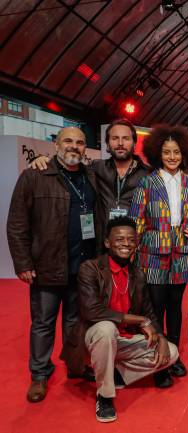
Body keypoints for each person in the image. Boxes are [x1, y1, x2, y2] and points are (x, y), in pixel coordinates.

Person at [7, 126, 97, 403]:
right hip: (47, 264)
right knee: (43, 323)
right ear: (55, 144)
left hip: (80, 265)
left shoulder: (90, 177)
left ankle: (74, 366)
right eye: (68, 141)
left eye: (80, 143)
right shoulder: (34, 175)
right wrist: (22, 262)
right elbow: (17, 224)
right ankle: (39, 375)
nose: (74, 146)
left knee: (75, 321)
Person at [62, 217, 178, 423]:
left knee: (171, 352)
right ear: (107, 242)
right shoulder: (90, 269)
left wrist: (160, 337)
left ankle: (114, 373)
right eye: (120, 239)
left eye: (131, 240)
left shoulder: (137, 274)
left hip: (124, 341)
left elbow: (150, 313)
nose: (126, 244)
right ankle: (105, 396)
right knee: (106, 329)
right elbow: (92, 311)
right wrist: (141, 320)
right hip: (94, 340)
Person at [129, 124, 188, 381]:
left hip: (181, 254)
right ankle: (159, 363)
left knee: (176, 308)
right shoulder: (146, 183)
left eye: (176, 152)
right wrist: (129, 259)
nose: (171, 157)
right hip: (152, 254)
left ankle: (174, 355)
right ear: (158, 152)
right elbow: (136, 221)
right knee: (156, 309)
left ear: (184, 154)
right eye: (167, 152)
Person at [29, 118, 150, 247]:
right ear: (108, 144)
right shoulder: (95, 168)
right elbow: (68, 163)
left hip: (134, 244)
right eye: (114, 138)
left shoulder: (148, 174)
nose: (120, 143)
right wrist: (40, 159)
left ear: (134, 143)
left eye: (126, 138)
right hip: (102, 245)